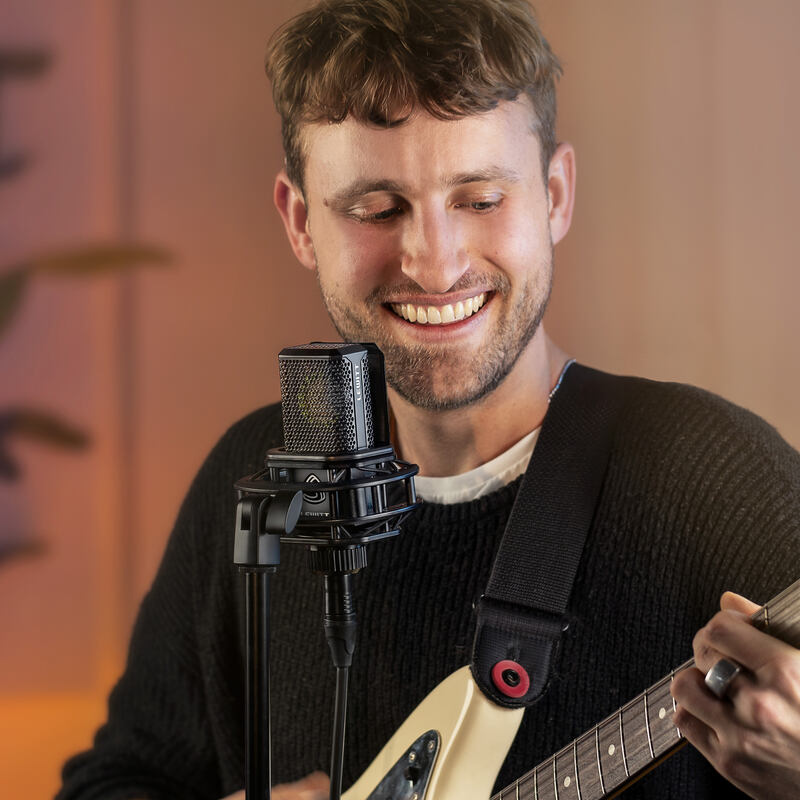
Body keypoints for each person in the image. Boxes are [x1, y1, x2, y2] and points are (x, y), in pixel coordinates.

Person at [58, 1, 800, 798]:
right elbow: (113, 780)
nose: (435, 263)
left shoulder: (711, 475)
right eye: (376, 209)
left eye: (480, 199)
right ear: (301, 221)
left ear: (555, 196)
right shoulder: (257, 476)